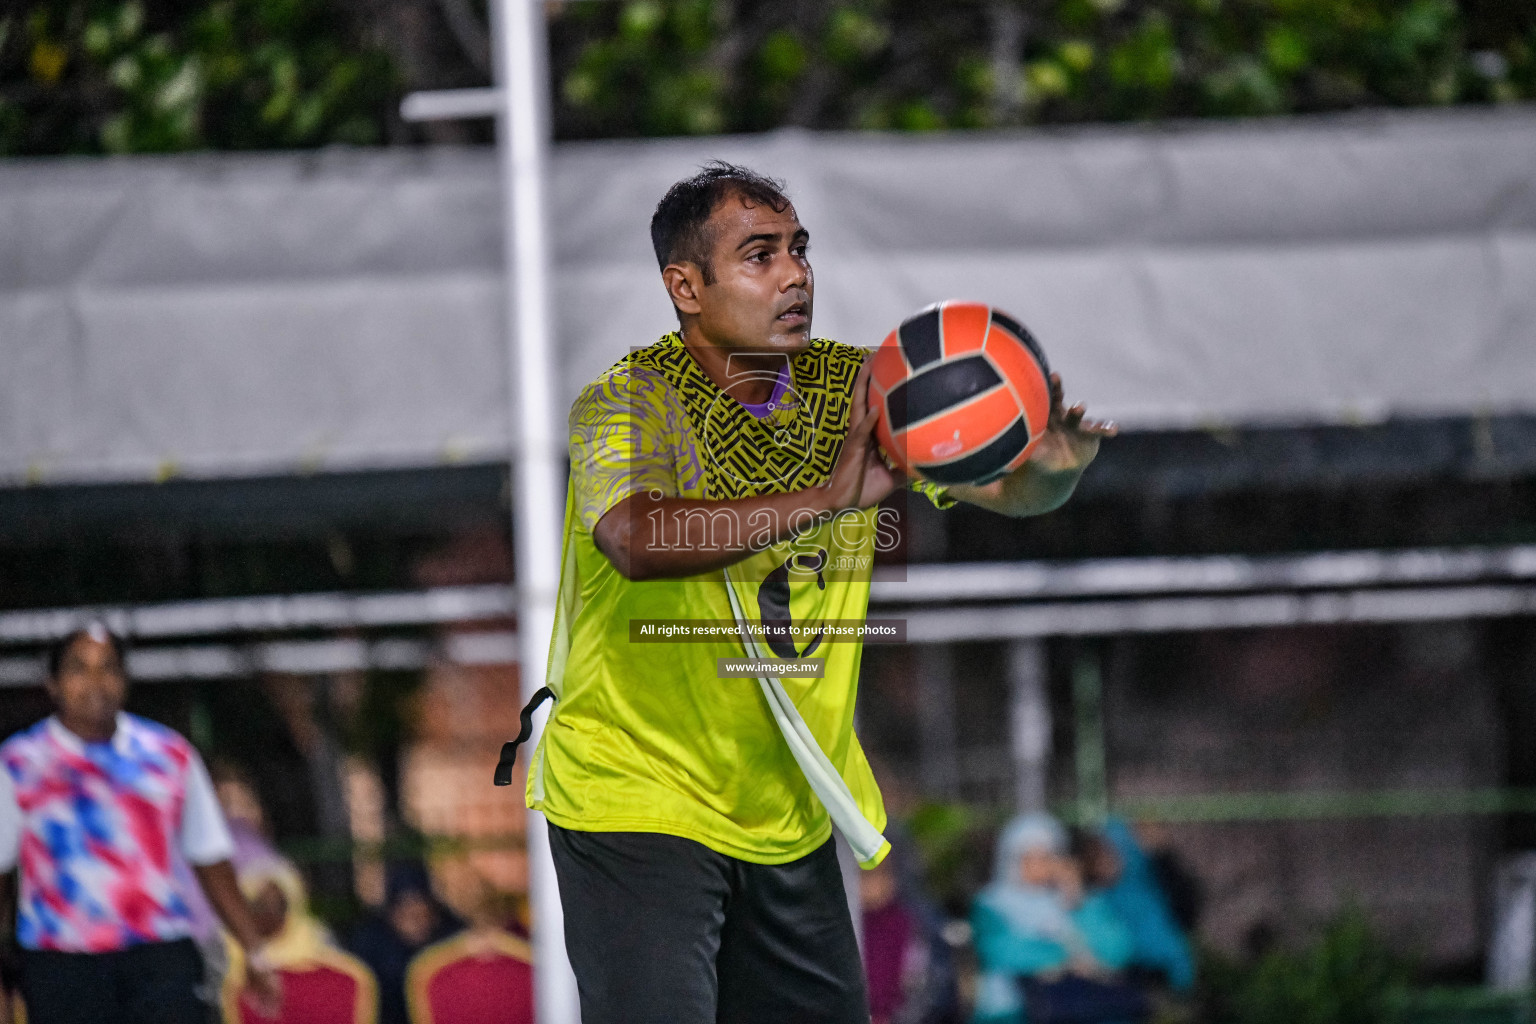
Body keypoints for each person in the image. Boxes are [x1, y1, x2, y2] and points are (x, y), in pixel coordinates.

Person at [517, 161, 1113, 1024]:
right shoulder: (627, 404)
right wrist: (825, 501)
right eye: (760, 254)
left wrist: (1052, 460)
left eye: (799, 250)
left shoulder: (868, 389)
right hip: (634, 794)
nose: (795, 274)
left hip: (781, 805)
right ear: (685, 285)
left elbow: (1016, 489)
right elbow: (635, 539)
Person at [0, 623, 279, 1024]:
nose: (95, 682)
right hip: (62, 961)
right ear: (54, 684)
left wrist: (253, 948)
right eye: (79, 669)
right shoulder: (18, 763)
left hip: (159, 955)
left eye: (108, 668)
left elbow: (210, 857)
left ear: (124, 680)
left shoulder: (169, 755)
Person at [970, 813, 1145, 1024]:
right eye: (1030, 857)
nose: (1039, 865)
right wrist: (1065, 957)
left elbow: (1117, 951)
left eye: (1047, 856)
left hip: (1078, 1008)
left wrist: (1077, 900)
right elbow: (999, 951)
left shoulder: (1076, 902)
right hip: (1011, 1010)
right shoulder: (992, 903)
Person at [1080, 818, 1195, 993]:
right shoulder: (1094, 899)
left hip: (1167, 967)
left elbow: (1186, 908)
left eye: (1108, 854)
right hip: (1125, 975)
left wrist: (1162, 853)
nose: (1104, 863)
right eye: (1096, 858)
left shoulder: (1148, 877)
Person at [347, 861, 463, 1024]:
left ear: (433, 911)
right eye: (405, 908)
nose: (414, 917)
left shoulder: (452, 936)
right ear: (391, 913)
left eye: (420, 908)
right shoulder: (370, 940)